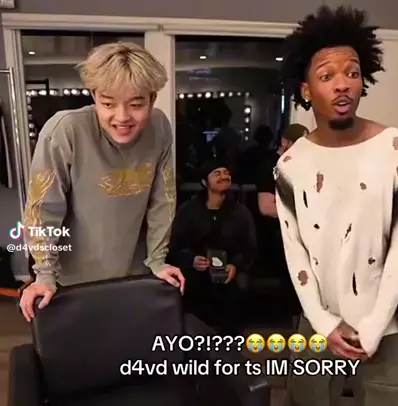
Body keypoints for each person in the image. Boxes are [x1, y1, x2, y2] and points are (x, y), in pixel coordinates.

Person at [276, 6, 398, 406]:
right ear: (306, 90)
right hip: (318, 319)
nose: (342, 84)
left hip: (389, 324)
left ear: (363, 81)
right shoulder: (290, 166)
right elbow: (295, 250)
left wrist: (374, 325)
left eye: (352, 73)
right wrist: (323, 323)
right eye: (327, 75)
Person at [19, 42, 185, 321]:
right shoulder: (65, 130)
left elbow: (163, 199)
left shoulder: (159, 127)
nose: (122, 117)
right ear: (94, 95)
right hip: (71, 283)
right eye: (108, 104)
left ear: (152, 98)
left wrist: (157, 260)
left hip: (134, 276)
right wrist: (44, 274)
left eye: (136, 104)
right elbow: (43, 208)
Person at [167, 161, 256, 333]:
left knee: (237, 292)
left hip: (230, 276)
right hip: (196, 276)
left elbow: (250, 247)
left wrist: (235, 265)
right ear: (204, 182)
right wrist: (191, 260)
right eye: (217, 173)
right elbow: (175, 245)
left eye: (226, 173)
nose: (224, 176)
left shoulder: (241, 212)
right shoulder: (188, 211)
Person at [256, 123, 309, 219]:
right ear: (284, 142)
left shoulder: (301, 166)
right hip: (275, 226)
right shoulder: (270, 166)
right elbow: (266, 207)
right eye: (299, 144)